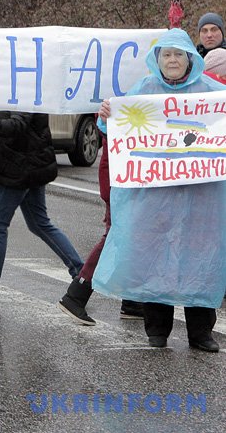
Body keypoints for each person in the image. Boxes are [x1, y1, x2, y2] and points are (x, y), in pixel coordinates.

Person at [92, 28, 226, 351]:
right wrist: (105, 116)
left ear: (189, 58)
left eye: (178, 54)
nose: (173, 60)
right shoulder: (145, 89)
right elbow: (117, 126)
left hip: (200, 194)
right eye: (166, 55)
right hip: (155, 194)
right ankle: (157, 329)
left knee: (199, 255)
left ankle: (200, 332)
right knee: (156, 255)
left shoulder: (210, 91)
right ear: (158, 60)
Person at [0, 110, 84, 303]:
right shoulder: (20, 87)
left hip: (19, 168)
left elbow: (17, 126)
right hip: (28, 164)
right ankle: (82, 273)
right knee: (39, 223)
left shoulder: (25, 89)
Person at [57, 134, 144, 325]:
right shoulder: (112, 108)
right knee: (115, 237)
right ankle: (76, 294)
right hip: (121, 177)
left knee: (134, 238)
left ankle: (132, 302)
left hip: (132, 174)